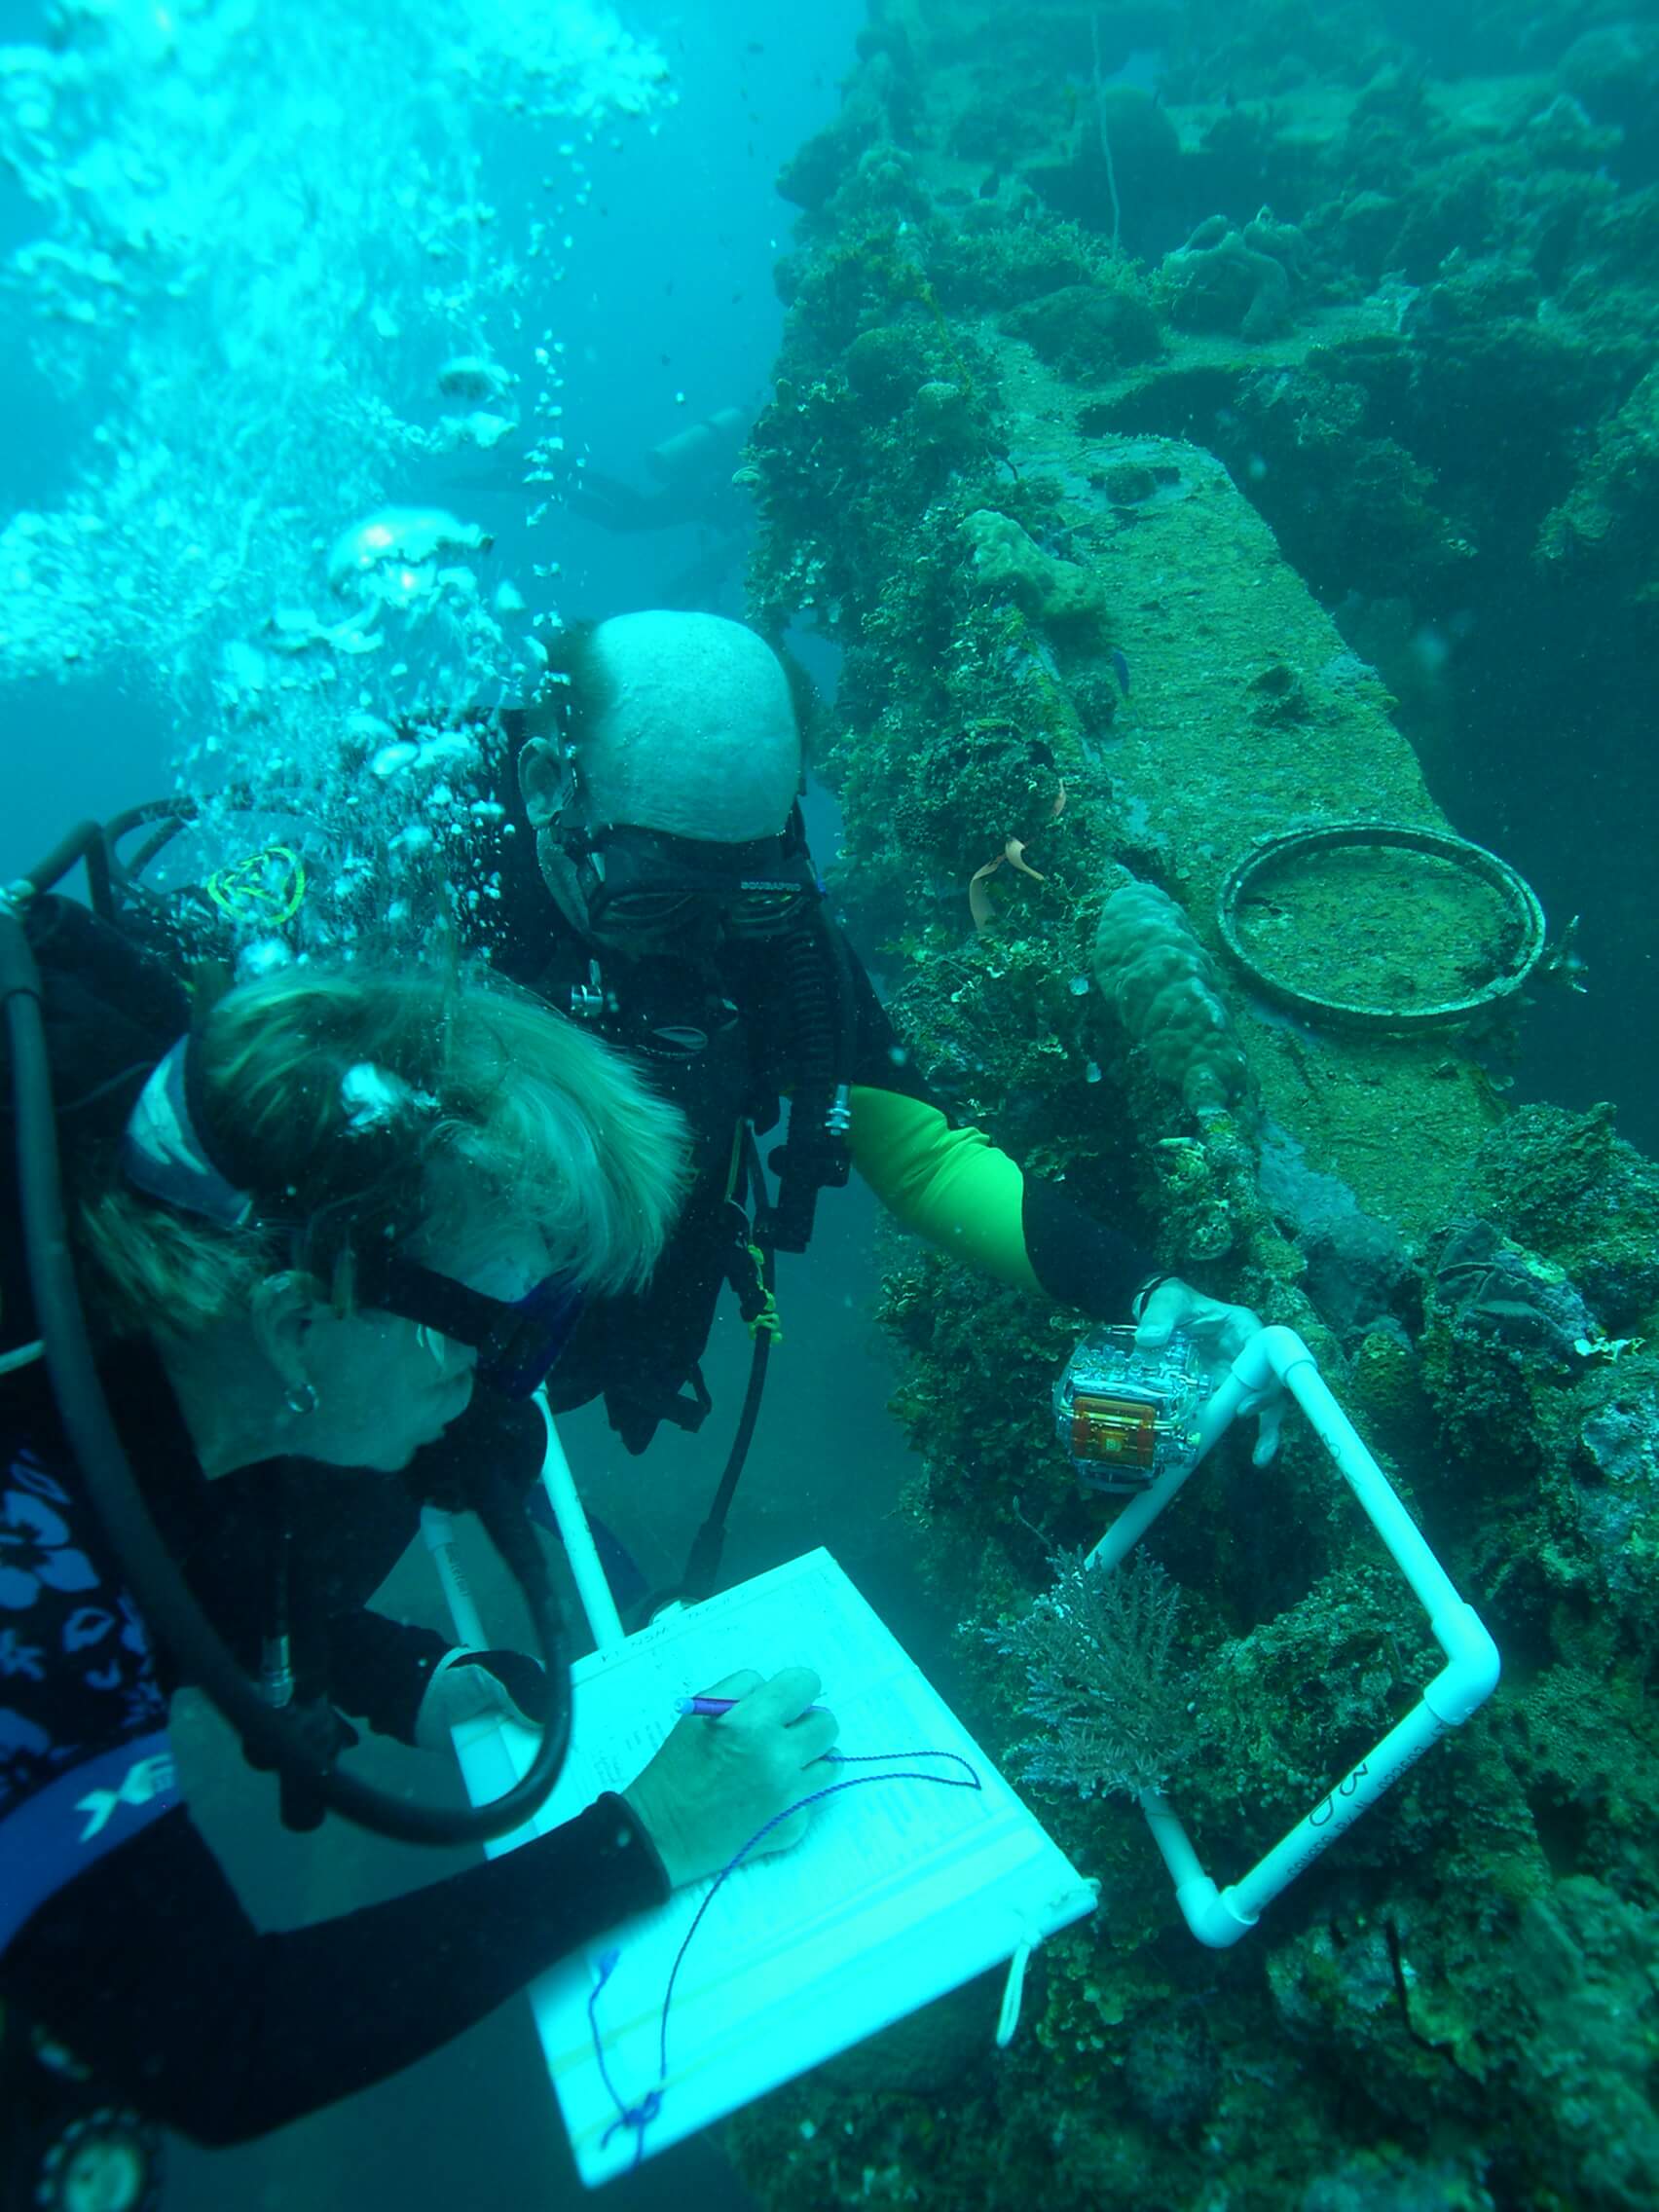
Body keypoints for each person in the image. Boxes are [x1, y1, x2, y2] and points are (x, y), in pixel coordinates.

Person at [0, 912, 838, 2168]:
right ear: (299, 1324)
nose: (514, 1389)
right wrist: (649, 1835)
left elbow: (207, 1583)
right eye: (504, 1334)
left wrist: (411, 1679)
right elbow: (221, 2037)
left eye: (546, 1326)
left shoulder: (186, 1385)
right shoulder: (28, 1572)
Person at [463, 609, 1279, 1502]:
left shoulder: (776, 936)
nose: (700, 942)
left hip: (602, 1313)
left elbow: (924, 1158)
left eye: (749, 904)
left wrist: (1139, 1286)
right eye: (658, 903)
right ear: (549, 786)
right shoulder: (440, 885)